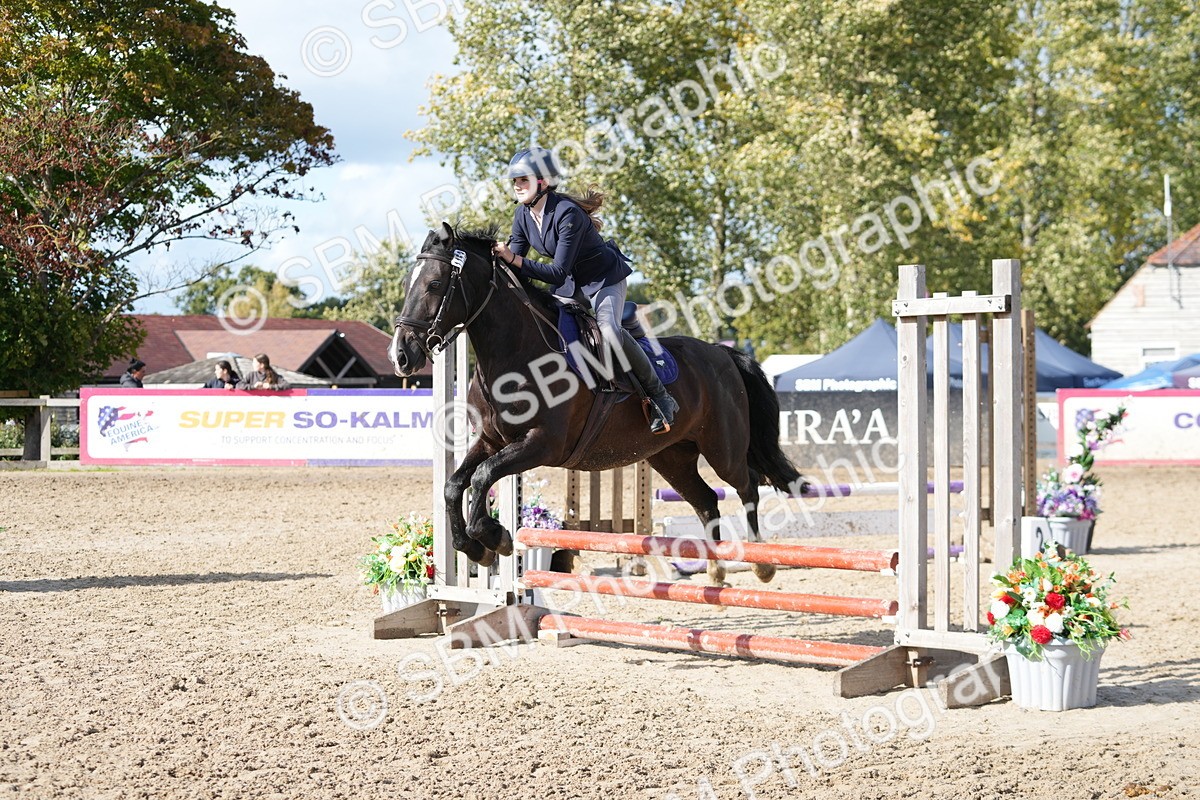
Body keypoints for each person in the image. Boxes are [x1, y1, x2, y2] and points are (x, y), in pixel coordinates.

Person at [492, 147, 678, 434]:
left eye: (523, 180)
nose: (517, 186)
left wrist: (513, 258)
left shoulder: (568, 214)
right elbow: (514, 268)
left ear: (543, 182)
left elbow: (556, 271)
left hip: (603, 280)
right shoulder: (523, 215)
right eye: (514, 181)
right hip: (570, 287)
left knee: (609, 331)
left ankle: (660, 398)